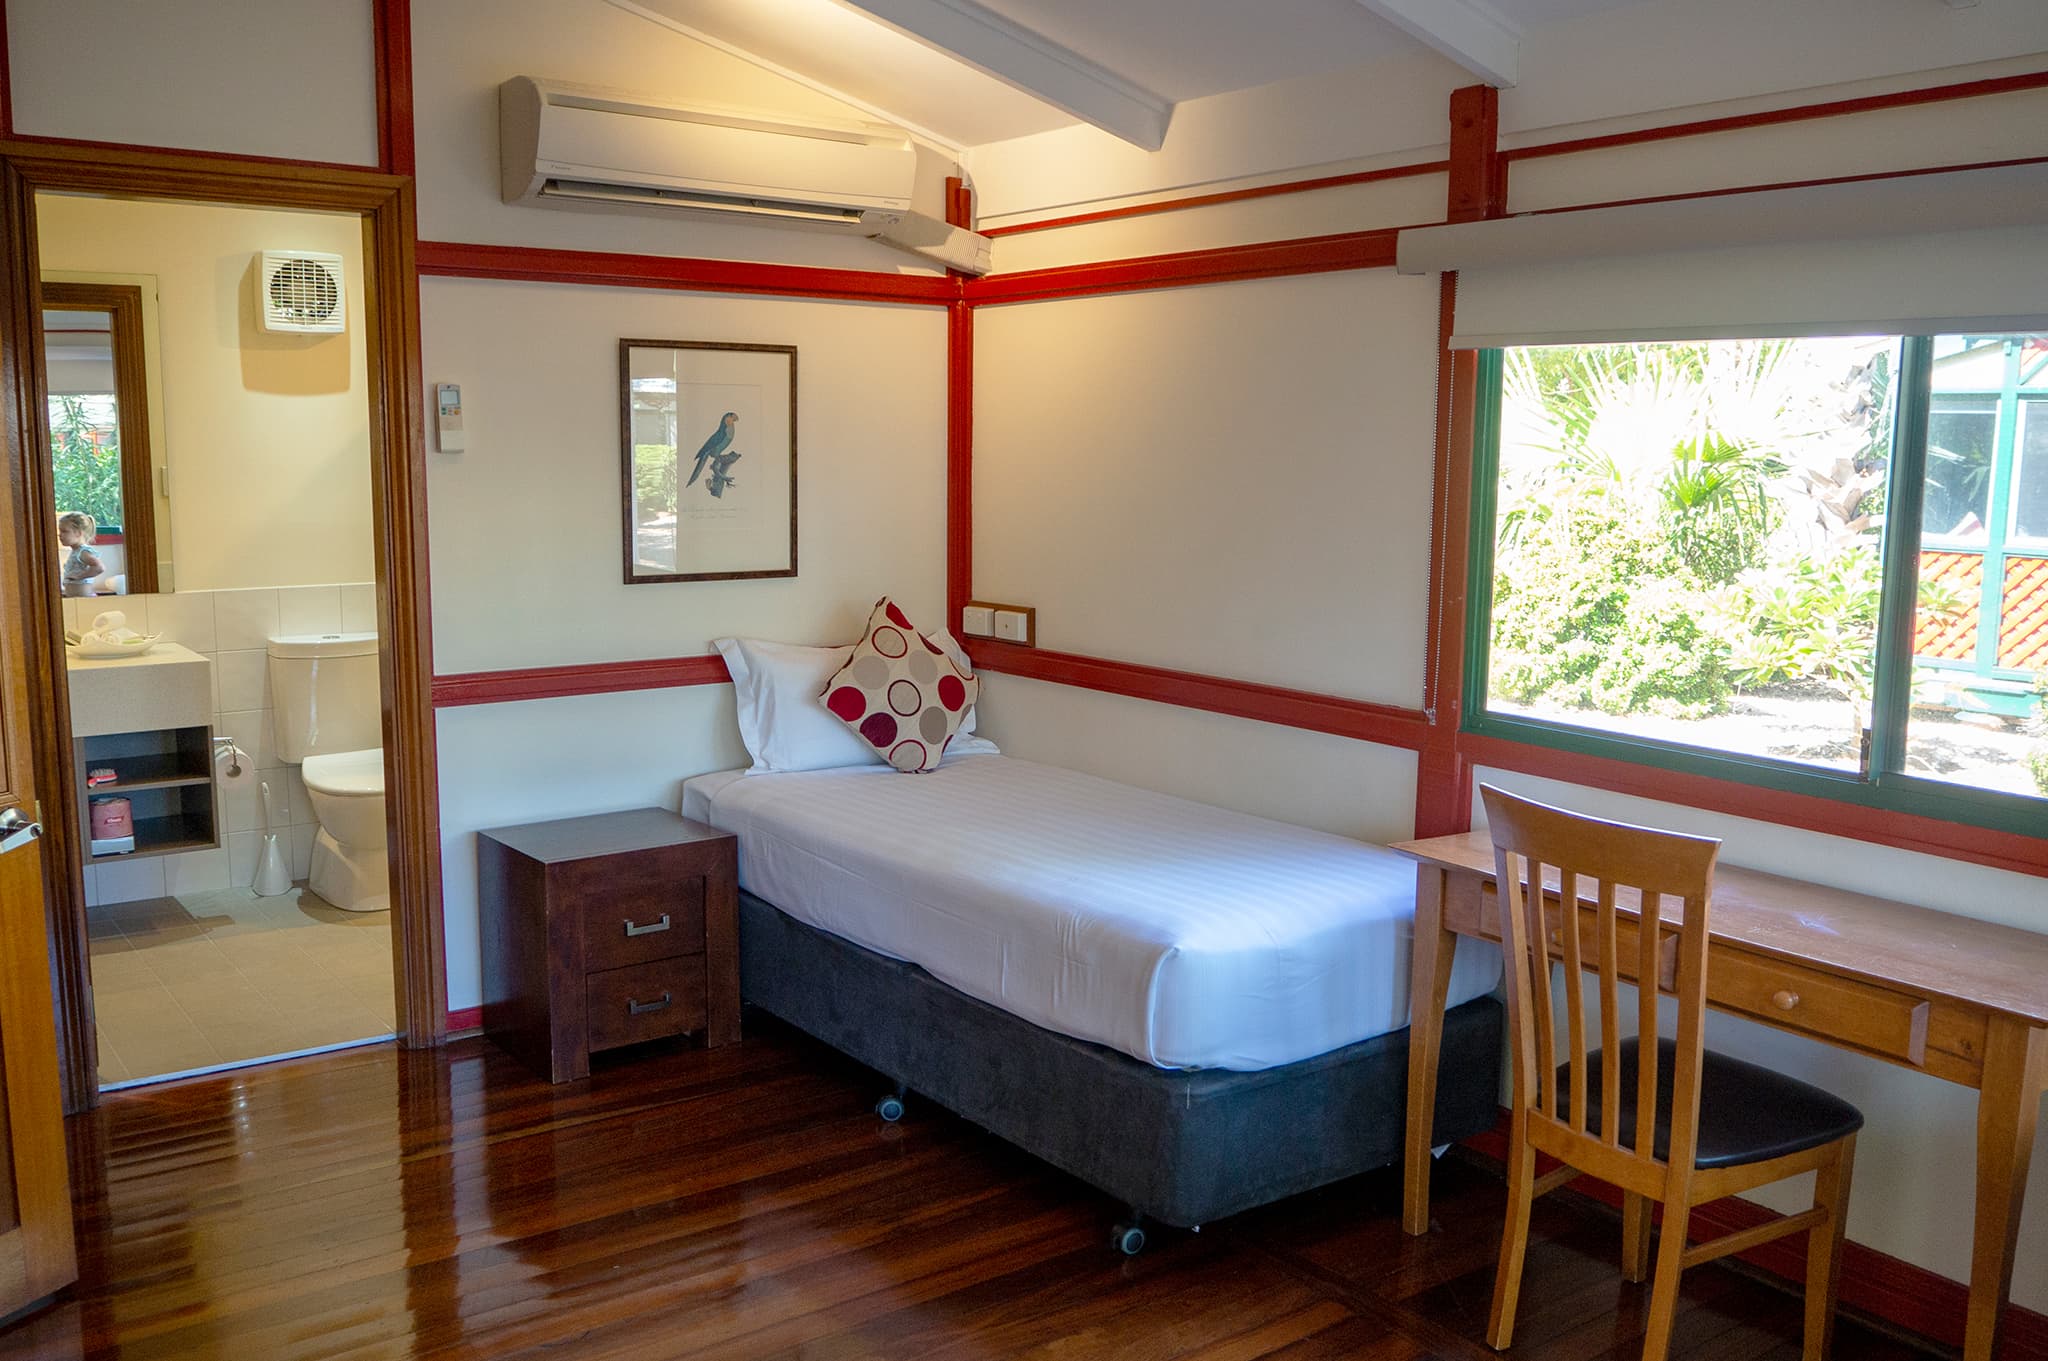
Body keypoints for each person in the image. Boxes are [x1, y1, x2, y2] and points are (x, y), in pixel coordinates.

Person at [58, 511, 104, 598]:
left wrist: (79, 576)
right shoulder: (76, 551)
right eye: (60, 531)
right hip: (75, 599)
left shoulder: (83, 552)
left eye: (64, 531)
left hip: (85, 600)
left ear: (79, 533)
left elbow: (99, 567)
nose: (60, 535)